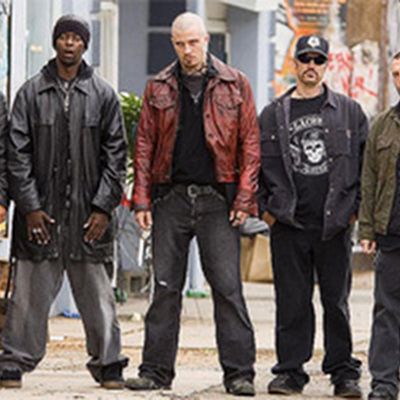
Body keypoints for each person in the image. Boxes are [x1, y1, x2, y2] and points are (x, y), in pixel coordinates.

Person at [126, 11, 260, 397]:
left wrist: (245, 198)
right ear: (173, 44)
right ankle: (155, 371)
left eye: (193, 42)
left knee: (228, 289)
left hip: (218, 200)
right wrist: (141, 200)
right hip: (171, 199)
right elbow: (144, 145)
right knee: (165, 288)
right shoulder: (158, 86)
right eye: (180, 44)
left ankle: (239, 374)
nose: (187, 50)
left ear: (206, 41)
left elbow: (251, 145)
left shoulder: (236, 83)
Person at [0, 14, 128, 389]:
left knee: (98, 297)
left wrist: (103, 207)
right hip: (41, 216)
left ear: (85, 45)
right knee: (28, 297)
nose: (69, 43)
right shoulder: (30, 93)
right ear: (55, 42)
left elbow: (116, 156)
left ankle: (108, 363)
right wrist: (30, 208)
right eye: (63, 37)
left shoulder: (103, 95)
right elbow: (16, 155)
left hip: (89, 218)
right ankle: (13, 360)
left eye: (76, 38)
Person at [258, 34, 368, 398]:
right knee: (292, 302)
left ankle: (343, 373)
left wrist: (354, 212)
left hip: (334, 225)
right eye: (304, 58)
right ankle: (290, 372)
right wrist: (266, 212)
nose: (311, 65)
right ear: (295, 63)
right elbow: (253, 166)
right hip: (289, 223)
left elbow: (366, 168)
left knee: (336, 302)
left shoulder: (349, 111)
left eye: (318, 60)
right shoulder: (273, 114)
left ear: (326, 65)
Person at [359, 51, 400, 400]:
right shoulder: (383, 124)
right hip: (392, 235)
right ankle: (384, 384)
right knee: (387, 311)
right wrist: (367, 230)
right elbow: (369, 179)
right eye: (397, 73)